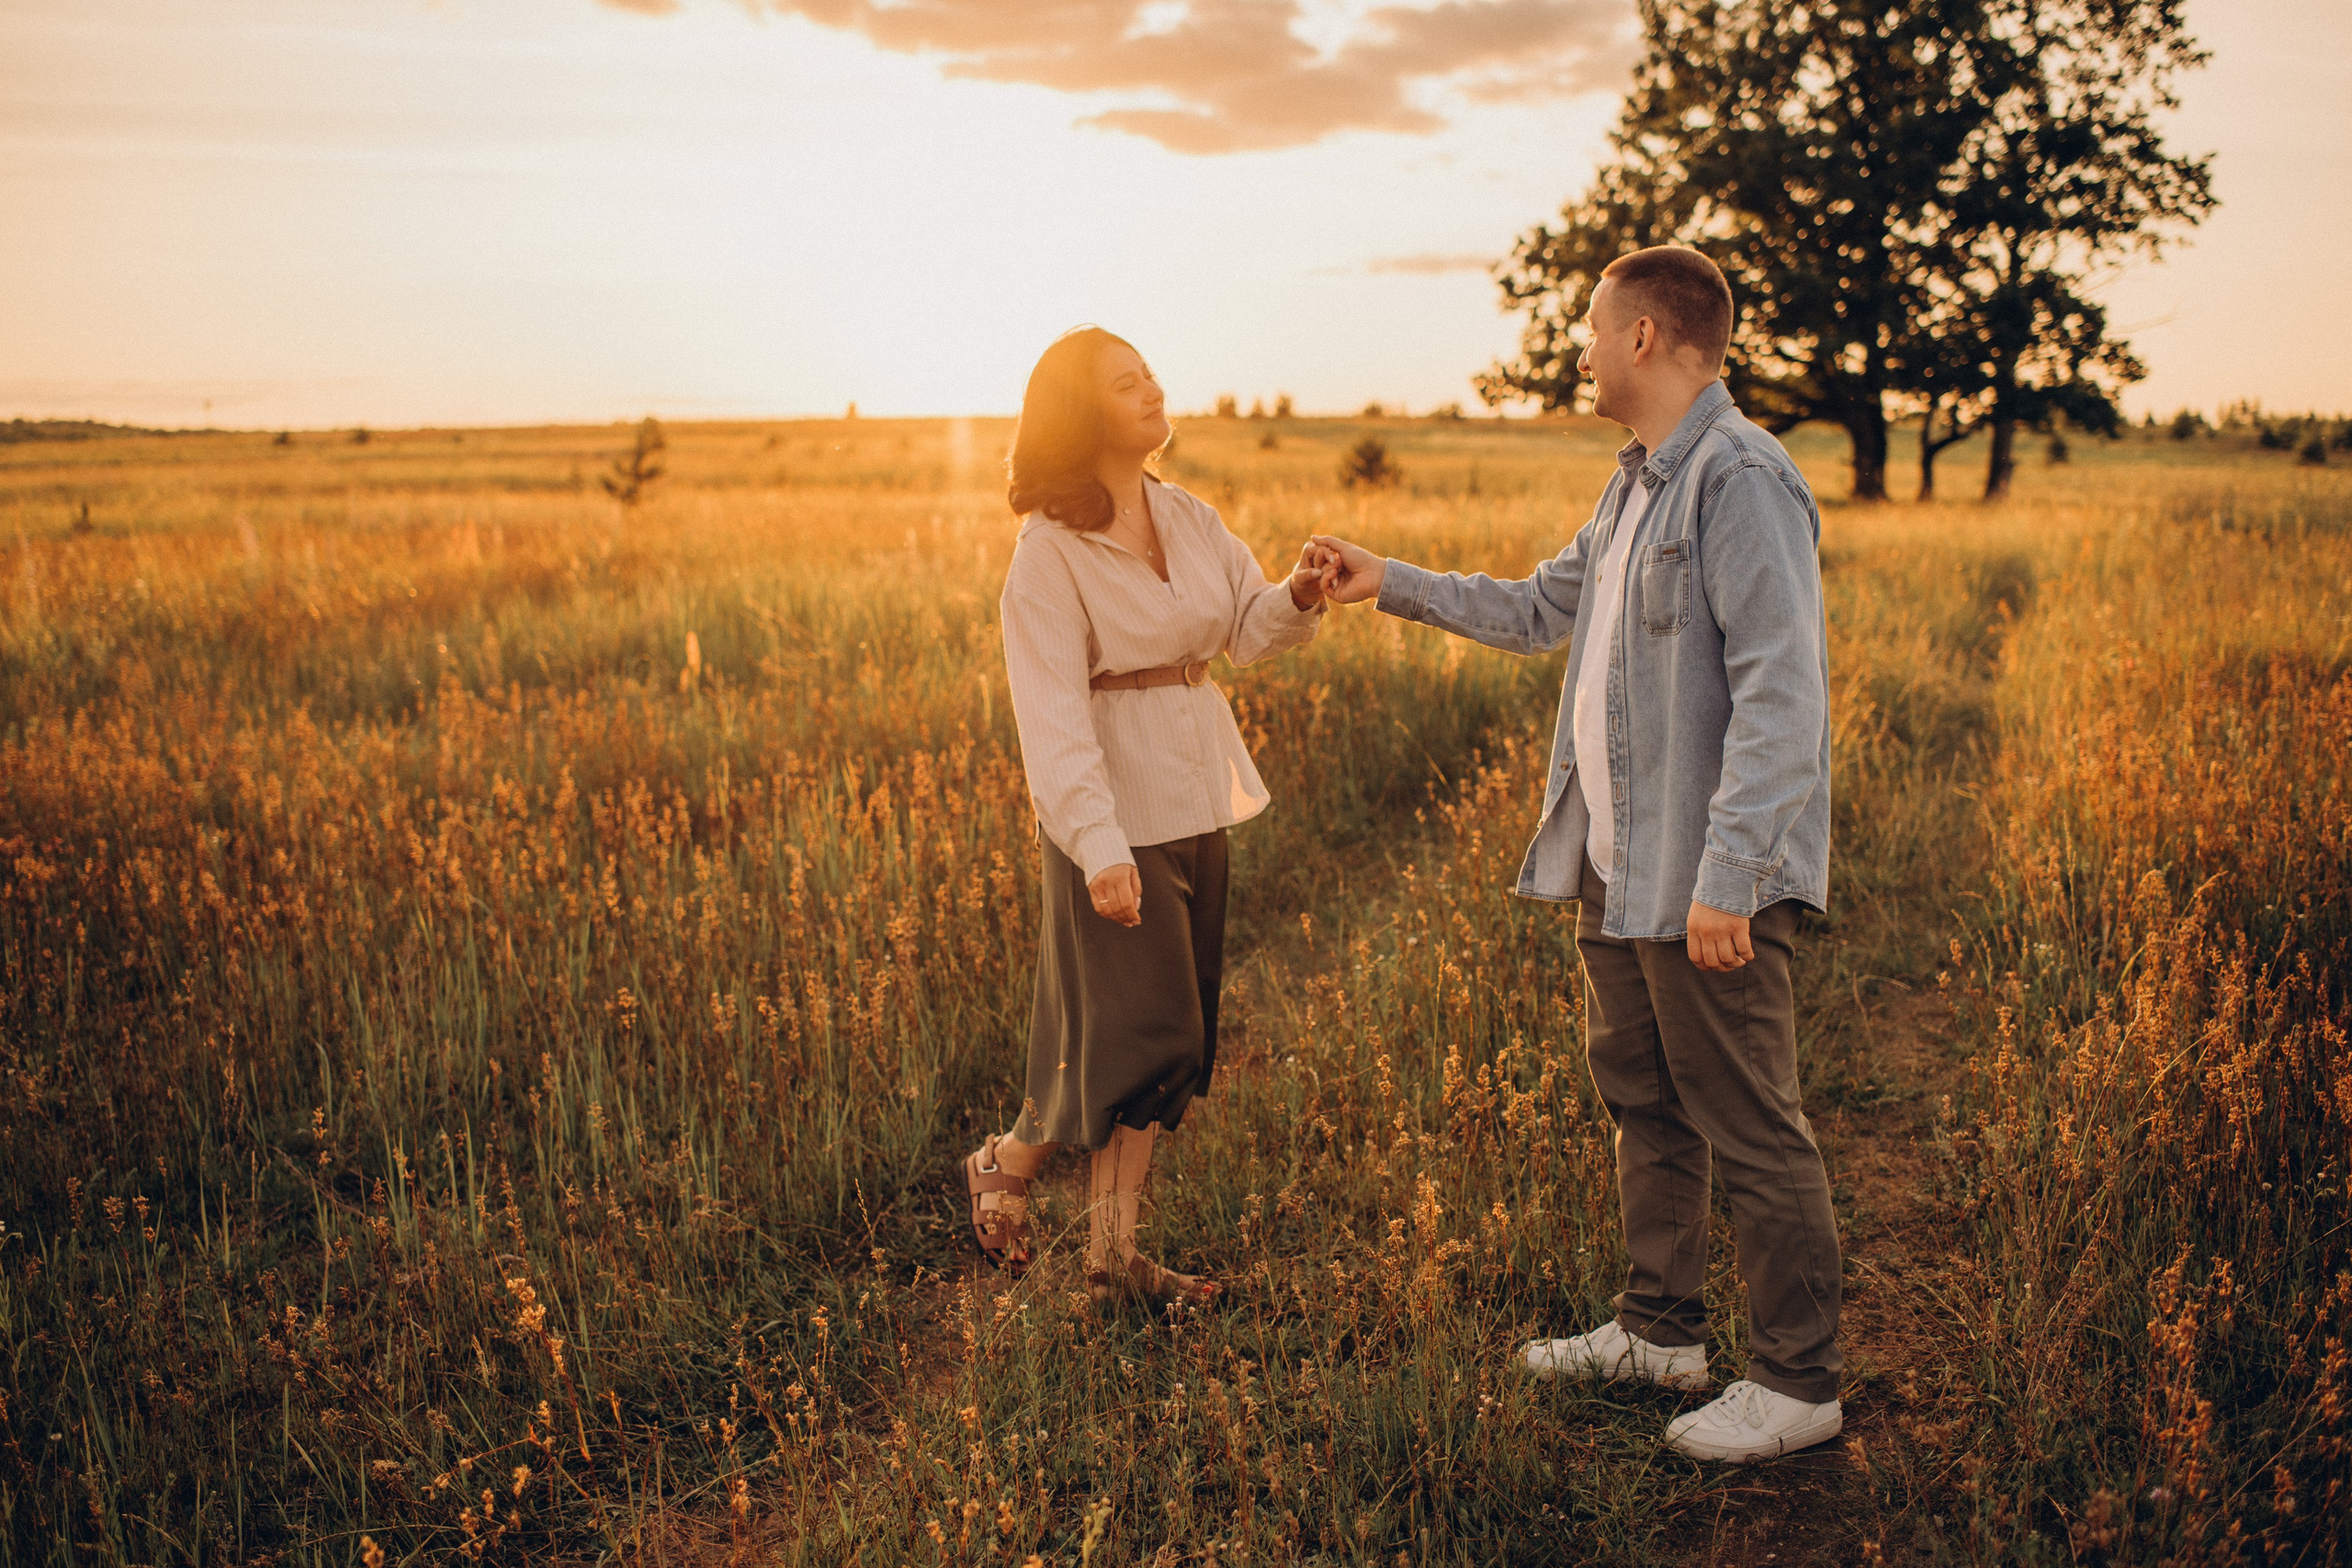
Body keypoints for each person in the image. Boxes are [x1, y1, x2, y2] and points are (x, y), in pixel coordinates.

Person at [1310, 246, 1844, 1463]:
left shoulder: (1740, 481)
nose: (1581, 348)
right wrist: (1381, 580)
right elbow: (1538, 609)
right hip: (1619, 862)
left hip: (1705, 877)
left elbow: (1782, 696)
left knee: (1752, 1121)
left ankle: (1801, 1381)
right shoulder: (1636, 485)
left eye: (1592, 329)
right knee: (1647, 1101)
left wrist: (1730, 876)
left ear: (1649, 337)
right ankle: (1659, 1331)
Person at [962, 325, 1332, 1308]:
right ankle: (1061, 1206)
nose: (1152, 391)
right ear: (1083, 416)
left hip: (1194, 798)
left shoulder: (1189, 516)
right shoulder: (1047, 552)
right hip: (1112, 824)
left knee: (1143, 1035)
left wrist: (1294, 595)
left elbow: (1243, 631)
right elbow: (1051, 720)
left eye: (1150, 374)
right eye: (1127, 385)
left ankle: (1068, 1217)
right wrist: (1096, 844)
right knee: (1149, 1033)